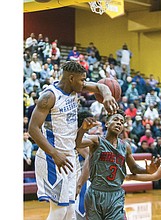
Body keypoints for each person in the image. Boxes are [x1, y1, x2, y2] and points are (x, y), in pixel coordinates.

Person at [28, 61, 119, 220]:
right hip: (53, 157)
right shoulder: (49, 96)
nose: (84, 83)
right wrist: (55, 154)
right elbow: (33, 129)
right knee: (59, 211)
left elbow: (100, 87)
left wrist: (108, 95)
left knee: (70, 211)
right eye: (82, 80)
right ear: (71, 78)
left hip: (69, 156)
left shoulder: (75, 88)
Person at [75, 109, 161, 220]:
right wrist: (82, 130)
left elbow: (133, 168)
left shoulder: (125, 147)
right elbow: (77, 143)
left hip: (115, 194)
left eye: (121, 121)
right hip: (95, 194)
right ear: (107, 123)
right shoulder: (96, 141)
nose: (119, 123)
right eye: (115, 120)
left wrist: (147, 170)